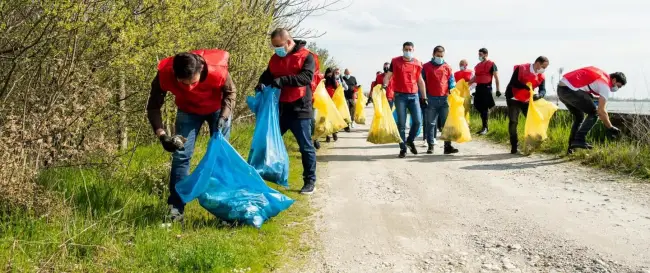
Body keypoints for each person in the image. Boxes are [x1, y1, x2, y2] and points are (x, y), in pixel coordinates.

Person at [147, 49, 236, 222]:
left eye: (192, 82)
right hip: (187, 111)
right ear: (175, 74)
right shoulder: (164, 74)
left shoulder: (217, 70)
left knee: (220, 157)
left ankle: (223, 208)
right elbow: (153, 106)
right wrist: (162, 135)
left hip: (217, 110)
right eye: (183, 83)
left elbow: (230, 93)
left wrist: (224, 117)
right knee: (180, 156)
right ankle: (175, 209)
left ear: (201, 69)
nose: (189, 88)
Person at [256, 28, 317, 194]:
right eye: (274, 46)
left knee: (305, 146)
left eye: (279, 45)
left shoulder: (307, 56)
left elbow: (306, 78)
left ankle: (310, 181)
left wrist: (282, 80)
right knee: (266, 142)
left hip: (300, 108)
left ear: (289, 42)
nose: (277, 49)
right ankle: (258, 176)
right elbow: (267, 75)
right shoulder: (275, 58)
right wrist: (261, 83)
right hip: (279, 109)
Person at [557, 66, 624, 154]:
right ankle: (579, 138)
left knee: (579, 117)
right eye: (618, 86)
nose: (617, 89)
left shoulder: (600, 75)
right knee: (594, 113)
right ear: (614, 80)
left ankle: (571, 146)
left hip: (561, 90)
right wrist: (610, 127)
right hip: (571, 90)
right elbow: (601, 111)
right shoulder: (605, 85)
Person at [383, 42, 427, 158]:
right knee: (401, 124)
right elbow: (388, 76)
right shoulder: (396, 61)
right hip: (400, 95)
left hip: (414, 95)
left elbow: (420, 81)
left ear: (413, 49)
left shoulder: (418, 63)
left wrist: (424, 96)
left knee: (418, 121)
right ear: (402, 49)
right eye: (406, 49)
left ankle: (410, 140)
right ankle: (403, 148)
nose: (408, 51)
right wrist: (385, 85)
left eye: (410, 49)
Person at [505, 56, 549, 154]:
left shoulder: (541, 76)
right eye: (543, 66)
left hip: (526, 100)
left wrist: (540, 95)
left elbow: (543, 89)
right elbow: (513, 82)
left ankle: (530, 144)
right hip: (513, 98)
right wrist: (527, 86)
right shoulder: (521, 68)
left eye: (546, 67)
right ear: (537, 63)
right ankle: (514, 145)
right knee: (513, 122)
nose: (544, 69)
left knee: (532, 120)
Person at [422, 45, 459, 155]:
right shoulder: (425, 67)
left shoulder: (447, 67)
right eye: (438, 55)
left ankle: (447, 146)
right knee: (430, 123)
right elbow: (421, 82)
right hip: (431, 99)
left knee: (446, 124)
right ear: (433, 54)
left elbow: (451, 80)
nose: (440, 57)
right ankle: (431, 146)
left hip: (444, 99)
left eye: (441, 56)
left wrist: (452, 88)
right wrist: (423, 97)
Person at [469, 48, 500, 135]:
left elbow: (496, 77)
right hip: (479, 88)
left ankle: (485, 127)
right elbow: (475, 77)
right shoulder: (478, 65)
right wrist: (466, 84)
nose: (479, 56)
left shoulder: (492, 64)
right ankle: (484, 126)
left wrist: (498, 90)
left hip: (487, 87)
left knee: (484, 108)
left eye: (481, 54)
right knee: (477, 105)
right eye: (479, 54)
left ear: (486, 54)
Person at [323, 67, 339, 142]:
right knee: (326, 119)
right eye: (328, 73)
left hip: (333, 101)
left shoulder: (335, 81)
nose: (329, 74)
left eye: (330, 73)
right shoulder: (323, 81)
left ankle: (334, 133)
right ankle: (327, 135)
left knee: (333, 118)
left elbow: (338, 90)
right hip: (325, 101)